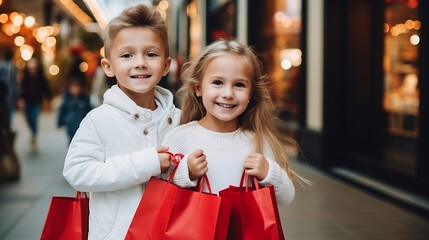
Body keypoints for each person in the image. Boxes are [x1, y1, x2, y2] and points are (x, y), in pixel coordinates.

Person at [62, 4, 181, 239]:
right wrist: (146, 163)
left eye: (151, 54)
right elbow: (76, 171)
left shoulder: (180, 119)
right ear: (108, 66)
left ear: (166, 65)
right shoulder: (99, 120)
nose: (140, 63)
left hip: (170, 231)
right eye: (127, 55)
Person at [162, 39, 298, 206]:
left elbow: (286, 198)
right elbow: (161, 190)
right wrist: (186, 173)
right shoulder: (181, 137)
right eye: (218, 82)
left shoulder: (259, 142)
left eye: (239, 85)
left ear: (251, 94)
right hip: (194, 232)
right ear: (198, 88)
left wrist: (270, 173)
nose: (228, 93)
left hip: (243, 232)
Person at [19, 57, 52, 151]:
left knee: (34, 118)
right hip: (27, 102)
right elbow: (21, 89)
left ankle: (34, 135)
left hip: (36, 102)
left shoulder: (41, 77)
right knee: (28, 119)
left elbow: (46, 88)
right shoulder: (25, 77)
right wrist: (20, 99)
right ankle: (33, 132)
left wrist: (48, 99)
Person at [57, 77, 93, 142]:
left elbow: (89, 111)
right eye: (73, 87)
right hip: (70, 126)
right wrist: (60, 122)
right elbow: (62, 111)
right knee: (71, 142)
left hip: (82, 127)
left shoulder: (85, 100)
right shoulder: (67, 100)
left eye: (77, 87)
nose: (76, 89)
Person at [0, 49, 19, 127]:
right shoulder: (12, 67)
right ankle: (8, 126)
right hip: (10, 94)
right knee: (10, 111)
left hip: (2, 94)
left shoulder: (1, 66)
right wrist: (17, 96)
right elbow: (15, 82)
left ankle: (4, 125)